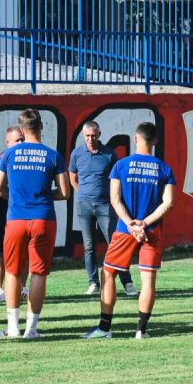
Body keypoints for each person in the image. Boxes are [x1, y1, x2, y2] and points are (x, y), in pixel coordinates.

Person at [83, 122, 175, 339]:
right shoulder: (165, 169)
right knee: (148, 280)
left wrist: (132, 224)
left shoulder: (121, 165)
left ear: (135, 138)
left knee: (108, 273)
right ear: (155, 141)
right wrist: (144, 223)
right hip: (151, 231)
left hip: (125, 230)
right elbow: (169, 202)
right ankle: (141, 330)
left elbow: (114, 199)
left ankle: (104, 328)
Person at [0, 109, 70, 339]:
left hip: (16, 218)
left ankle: (13, 328)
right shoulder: (53, 155)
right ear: (41, 127)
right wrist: (45, 195)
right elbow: (65, 192)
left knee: (13, 272)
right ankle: (31, 329)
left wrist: (17, 197)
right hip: (43, 218)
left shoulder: (9, 154)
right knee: (38, 273)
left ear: (22, 129)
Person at [69, 121, 137, 296]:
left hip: (105, 205)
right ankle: (93, 283)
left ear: (99, 134)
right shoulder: (77, 153)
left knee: (115, 243)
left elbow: (116, 179)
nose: (90, 139)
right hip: (84, 206)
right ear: (83, 136)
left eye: (93, 135)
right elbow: (73, 178)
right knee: (89, 246)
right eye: (87, 136)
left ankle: (127, 282)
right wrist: (83, 193)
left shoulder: (109, 154)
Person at [0, 126, 27, 302]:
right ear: (7, 141)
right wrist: (14, 197)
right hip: (6, 210)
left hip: (25, 211)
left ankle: (23, 287)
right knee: (1, 249)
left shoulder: (28, 158)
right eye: (17, 140)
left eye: (22, 139)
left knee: (25, 248)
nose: (20, 143)